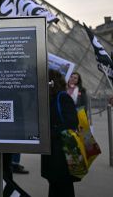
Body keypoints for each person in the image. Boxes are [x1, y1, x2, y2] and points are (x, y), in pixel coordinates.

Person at [41, 69, 79, 197]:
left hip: (63, 152)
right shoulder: (50, 98)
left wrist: (50, 133)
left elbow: (71, 122)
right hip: (54, 151)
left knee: (63, 185)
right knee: (55, 184)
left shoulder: (62, 97)